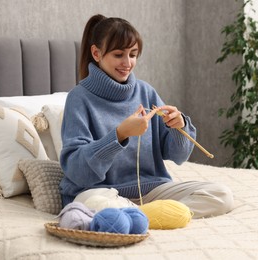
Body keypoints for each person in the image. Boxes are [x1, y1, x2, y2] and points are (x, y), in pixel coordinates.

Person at [59, 14, 234, 218]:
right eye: (118, 55)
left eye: (133, 55)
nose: (127, 62)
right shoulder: (79, 98)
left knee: (222, 195)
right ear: (96, 53)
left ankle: (138, 217)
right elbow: (78, 172)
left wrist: (179, 127)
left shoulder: (146, 92)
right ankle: (153, 216)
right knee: (91, 204)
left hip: (151, 191)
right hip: (102, 192)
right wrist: (120, 134)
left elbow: (178, 156)